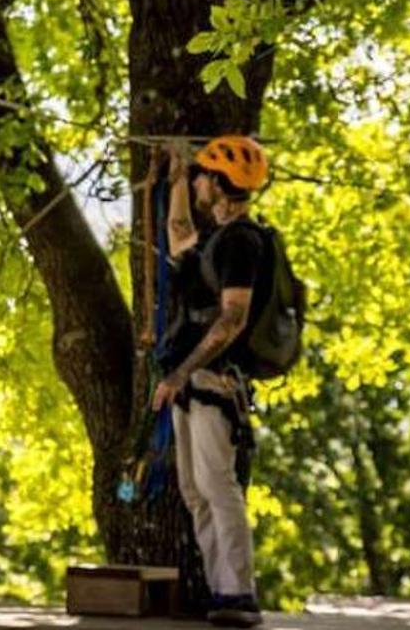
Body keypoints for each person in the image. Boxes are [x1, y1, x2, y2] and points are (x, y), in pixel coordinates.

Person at [150, 135, 272, 629]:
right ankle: (223, 589)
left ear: (220, 184)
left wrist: (181, 373)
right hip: (191, 382)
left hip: (211, 380)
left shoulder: (241, 241)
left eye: (203, 175)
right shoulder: (216, 241)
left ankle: (239, 592)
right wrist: (178, 175)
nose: (200, 182)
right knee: (196, 490)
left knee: (217, 486)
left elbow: (232, 320)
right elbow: (179, 234)